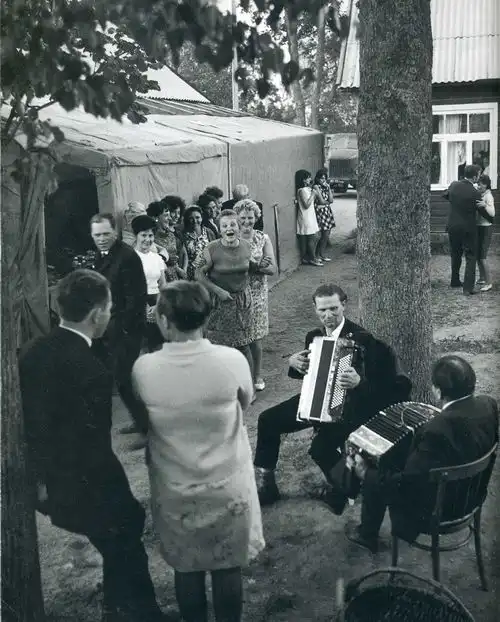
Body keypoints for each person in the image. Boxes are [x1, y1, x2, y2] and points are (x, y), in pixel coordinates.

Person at [19, 270, 164, 622]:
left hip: (41, 476)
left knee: (124, 531)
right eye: (109, 308)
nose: (110, 315)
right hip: (75, 479)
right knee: (125, 528)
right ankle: (131, 611)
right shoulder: (92, 371)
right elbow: (92, 446)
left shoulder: (33, 351)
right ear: (97, 314)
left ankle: (128, 607)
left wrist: (38, 479)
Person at [131, 281, 265, 622]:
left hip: (176, 488)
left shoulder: (144, 368)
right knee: (228, 565)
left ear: (163, 320)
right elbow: (245, 403)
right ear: (207, 316)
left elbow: (145, 419)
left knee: (187, 567)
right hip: (227, 483)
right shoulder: (232, 360)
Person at [253, 283, 411, 508]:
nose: (328, 315)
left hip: (353, 408)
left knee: (321, 449)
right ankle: (267, 486)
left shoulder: (365, 340)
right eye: (322, 310)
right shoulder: (313, 337)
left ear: (344, 305)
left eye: (333, 309)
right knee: (267, 420)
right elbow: (312, 375)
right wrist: (294, 364)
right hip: (316, 402)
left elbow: (392, 386)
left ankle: (345, 489)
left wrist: (360, 382)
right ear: (315, 309)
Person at [345, 355, 499, 553]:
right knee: (395, 462)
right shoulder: (489, 404)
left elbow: (407, 485)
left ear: (438, 392)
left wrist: (366, 473)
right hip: (472, 494)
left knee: (377, 470)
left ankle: (367, 534)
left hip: (440, 510)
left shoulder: (435, 430)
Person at [90, 214, 148, 434]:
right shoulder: (101, 254)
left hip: (126, 328)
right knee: (118, 378)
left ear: (115, 232)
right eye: (97, 235)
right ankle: (141, 422)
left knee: (124, 378)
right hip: (108, 327)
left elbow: (136, 298)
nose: (102, 239)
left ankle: (146, 427)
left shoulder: (127, 256)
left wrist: (122, 329)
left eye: (106, 234)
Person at [194, 210, 256, 390]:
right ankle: (219, 389)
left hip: (242, 303)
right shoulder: (211, 249)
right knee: (217, 348)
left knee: (244, 346)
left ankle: (248, 388)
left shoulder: (246, 246)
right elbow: (198, 273)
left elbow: (249, 268)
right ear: (220, 229)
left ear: (239, 227)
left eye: (233, 224)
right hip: (219, 304)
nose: (229, 228)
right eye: (225, 225)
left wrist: (260, 266)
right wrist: (218, 290)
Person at [234, 198, 277, 392]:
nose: (246, 221)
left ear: (256, 218)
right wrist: (255, 265)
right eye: (242, 218)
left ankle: (257, 375)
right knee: (238, 337)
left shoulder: (262, 238)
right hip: (236, 292)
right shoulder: (230, 238)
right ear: (236, 218)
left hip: (258, 294)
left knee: (255, 338)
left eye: (250, 217)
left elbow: (273, 269)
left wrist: (255, 267)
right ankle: (241, 377)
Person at [443, 164, 482, 295]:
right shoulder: (475, 193)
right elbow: (481, 209)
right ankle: (468, 288)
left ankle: (454, 281)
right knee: (471, 256)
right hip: (468, 228)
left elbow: (445, 194)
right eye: (479, 175)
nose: (479, 177)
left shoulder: (454, 185)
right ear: (475, 176)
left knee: (455, 253)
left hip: (453, 226)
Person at [131, 215, 168, 352]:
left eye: (151, 235)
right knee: (141, 348)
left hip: (157, 302)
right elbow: (130, 287)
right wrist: (145, 309)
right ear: (136, 235)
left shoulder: (157, 258)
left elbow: (163, 285)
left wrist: (158, 306)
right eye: (143, 235)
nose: (148, 239)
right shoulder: (130, 257)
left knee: (159, 347)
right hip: (137, 304)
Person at [147, 198, 188, 281]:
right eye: (166, 215)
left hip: (175, 278)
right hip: (160, 278)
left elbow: (178, 257)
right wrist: (167, 260)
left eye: (169, 215)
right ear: (155, 218)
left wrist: (180, 270)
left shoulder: (171, 235)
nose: (169, 218)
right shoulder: (150, 238)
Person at [295, 169, 322, 266]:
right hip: (305, 216)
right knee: (312, 237)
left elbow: (320, 199)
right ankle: (312, 258)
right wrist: (313, 194)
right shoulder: (301, 190)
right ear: (303, 180)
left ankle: (308, 257)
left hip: (311, 215)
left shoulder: (307, 189)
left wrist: (315, 192)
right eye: (308, 178)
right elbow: (306, 205)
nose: (310, 179)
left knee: (314, 236)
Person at [180, 205, 216, 280]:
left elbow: (215, 252)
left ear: (201, 218)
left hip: (209, 273)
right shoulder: (183, 236)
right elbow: (183, 258)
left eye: (197, 217)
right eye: (191, 218)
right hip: (192, 276)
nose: (195, 221)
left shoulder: (209, 232)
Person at [476, 174, 495, 292]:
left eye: (481, 184)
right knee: (478, 255)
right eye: (478, 184)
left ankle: (489, 283)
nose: (478, 186)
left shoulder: (488, 196)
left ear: (486, 185)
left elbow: (492, 213)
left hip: (486, 229)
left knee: (483, 257)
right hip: (479, 227)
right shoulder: (481, 194)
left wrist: (485, 205)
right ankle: (482, 278)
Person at [312, 168, 336, 263]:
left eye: (325, 178)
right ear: (317, 178)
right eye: (321, 178)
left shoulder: (325, 187)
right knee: (322, 235)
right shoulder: (316, 187)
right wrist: (327, 203)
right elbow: (321, 201)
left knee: (327, 234)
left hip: (326, 212)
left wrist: (329, 188)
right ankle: (316, 255)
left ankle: (322, 254)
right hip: (320, 212)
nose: (323, 180)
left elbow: (331, 200)